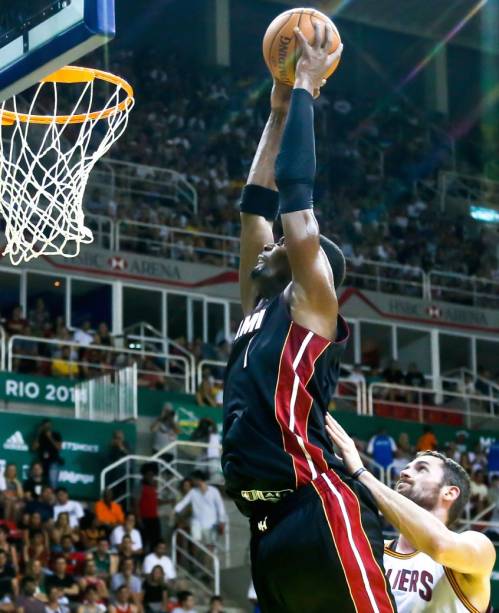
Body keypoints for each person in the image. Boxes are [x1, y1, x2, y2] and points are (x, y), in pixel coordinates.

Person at [221, 25, 394, 612]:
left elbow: (295, 199)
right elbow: (255, 208)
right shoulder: (259, 309)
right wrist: (274, 110)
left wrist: (306, 91)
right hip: (266, 527)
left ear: (308, 266)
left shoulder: (310, 306)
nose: (266, 247)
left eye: (284, 248)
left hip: (318, 507)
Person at [325, 413, 495, 612]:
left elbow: (439, 546)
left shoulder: (478, 546)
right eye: (407, 468)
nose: (404, 473)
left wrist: (361, 474)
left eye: (421, 469)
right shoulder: (372, 550)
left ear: (449, 492)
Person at [174, 471, 226, 551]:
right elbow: (183, 502)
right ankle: (197, 561)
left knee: (210, 547)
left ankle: (208, 562)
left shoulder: (214, 491)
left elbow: (220, 507)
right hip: (197, 523)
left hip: (211, 524)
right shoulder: (193, 492)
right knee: (196, 543)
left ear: (198, 479)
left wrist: (221, 521)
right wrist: (175, 510)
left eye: (193, 479)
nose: (192, 481)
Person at [32, 420, 63, 489]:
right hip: (41, 462)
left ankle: (53, 496)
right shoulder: (39, 436)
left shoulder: (56, 435)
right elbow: (34, 448)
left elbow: (59, 448)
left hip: (53, 461)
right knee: (39, 481)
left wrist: (50, 437)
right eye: (45, 426)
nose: (47, 428)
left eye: (48, 426)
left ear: (51, 426)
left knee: (52, 482)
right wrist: (38, 434)